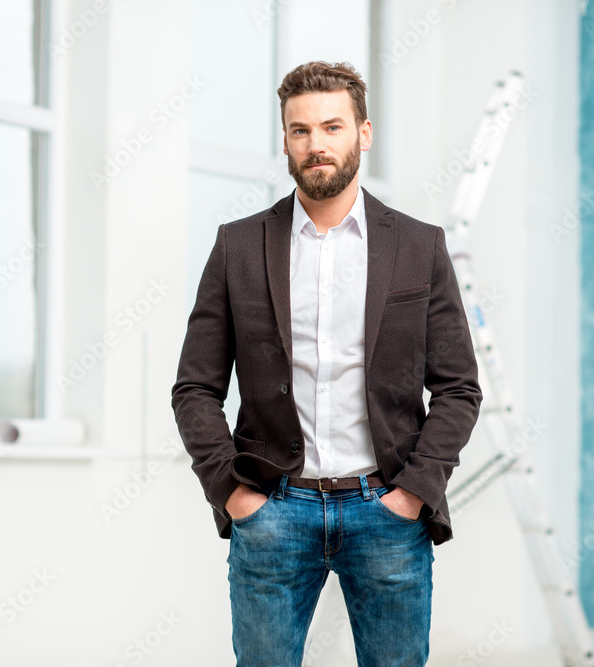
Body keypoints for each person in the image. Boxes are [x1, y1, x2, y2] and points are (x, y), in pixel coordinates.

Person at [171, 60, 483, 667]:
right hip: (273, 512)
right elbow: (194, 388)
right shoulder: (238, 247)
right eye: (300, 131)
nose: (317, 145)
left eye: (332, 127)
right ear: (285, 141)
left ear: (363, 133)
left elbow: (458, 389)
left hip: (387, 512)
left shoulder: (419, 247)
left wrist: (414, 492)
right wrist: (232, 493)